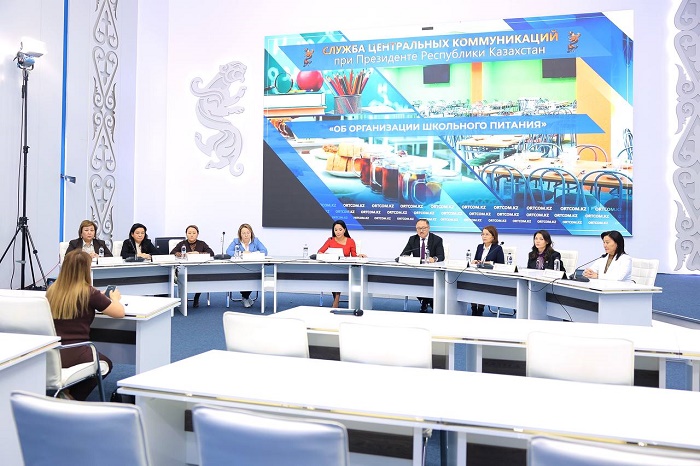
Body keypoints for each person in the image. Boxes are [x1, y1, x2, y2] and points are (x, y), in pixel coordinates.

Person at [46, 250, 125, 400]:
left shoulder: (52, 290)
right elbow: (119, 312)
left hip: (52, 352)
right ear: (85, 270)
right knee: (106, 364)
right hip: (77, 351)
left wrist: (99, 295)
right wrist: (115, 298)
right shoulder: (89, 293)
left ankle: (64, 392)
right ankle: (72, 397)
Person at [318, 219, 367, 308]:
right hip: (332, 267)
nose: (338, 232)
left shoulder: (350, 241)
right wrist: (327, 255)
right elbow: (320, 252)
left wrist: (359, 255)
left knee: (338, 276)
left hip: (345, 268)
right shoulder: (330, 240)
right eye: (335, 230)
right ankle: (336, 298)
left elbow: (354, 256)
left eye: (340, 229)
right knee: (333, 275)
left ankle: (336, 299)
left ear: (344, 230)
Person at [400, 218, 445, 313]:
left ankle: (425, 301)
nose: (421, 231)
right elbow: (404, 254)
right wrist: (406, 258)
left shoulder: (437, 239)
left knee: (429, 282)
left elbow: (441, 256)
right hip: (417, 270)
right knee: (410, 280)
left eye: (423, 228)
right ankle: (426, 300)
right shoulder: (413, 239)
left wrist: (434, 259)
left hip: (432, 271)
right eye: (418, 228)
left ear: (428, 228)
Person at [170, 225, 215, 307]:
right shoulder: (182, 244)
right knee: (183, 279)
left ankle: (196, 298)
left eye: (194, 233)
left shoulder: (202, 243)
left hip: (198, 270)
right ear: (186, 234)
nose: (191, 235)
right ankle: (184, 298)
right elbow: (172, 252)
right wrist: (183, 254)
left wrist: (198, 253)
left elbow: (211, 253)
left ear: (197, 234)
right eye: (189, 233)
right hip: (183, 270)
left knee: (200, 278)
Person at [226, 223, 268, 308]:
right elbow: (228, 251)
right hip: (239, 268)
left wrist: (251, 253)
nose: (246, 235)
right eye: (243, 233)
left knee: (253, 276)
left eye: (248, 233)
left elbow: (265, 251)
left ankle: (245, 297)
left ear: (251, 233)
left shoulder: (255, 241)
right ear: (240, 234)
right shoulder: (236, 241)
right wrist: (242, 253)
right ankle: (246, 297)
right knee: (244, 276)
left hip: (252, 268)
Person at [470, 225, 505, 316]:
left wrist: (489, 263)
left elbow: (501, 264)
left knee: (482, 285)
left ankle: (480, 309)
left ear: (493, 236)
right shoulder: (479, 247)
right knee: (470, 283)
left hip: (490, 276)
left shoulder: (497, 248)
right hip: (478, 274)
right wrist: (475, 261)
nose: (484, 236)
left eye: (487, 234)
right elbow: (476, 260)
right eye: (483, 234)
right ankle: (473, 308)